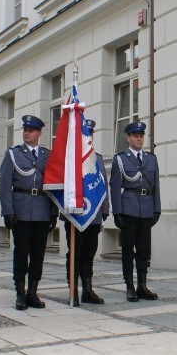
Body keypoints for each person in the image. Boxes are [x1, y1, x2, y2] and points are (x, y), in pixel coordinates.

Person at [0, 115, 57, 310]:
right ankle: (20, 293)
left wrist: (53, 212)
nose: (27, 133)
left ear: (39, 133)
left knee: (38, 253)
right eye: (25, 130)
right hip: (21, 210)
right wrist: (8, 211)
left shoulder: (47, 155)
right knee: (21, 252)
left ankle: (33, 291)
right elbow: (5, 185)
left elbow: (52, 185)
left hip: (41, 209)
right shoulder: (13, 154)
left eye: (31, 130)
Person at [109, 121, 160, 302]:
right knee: (128, 251)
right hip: (129, 208)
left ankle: (142, 286)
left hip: (146, 208)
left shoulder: (151, 159)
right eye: (135, 136)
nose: (139, 138)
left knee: (144, 250)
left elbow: (156, 186)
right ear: (128, 138)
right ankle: (130, 286)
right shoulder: (120, 159)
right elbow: (115, 187)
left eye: (141, 135)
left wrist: (157, 209)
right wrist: (117, 212)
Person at [63, 119, 110, 306]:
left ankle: (87, 290)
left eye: (90, 134)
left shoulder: (97, 158)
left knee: (90, 253)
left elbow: (103, 185)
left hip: (94, 214)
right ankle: (72, 289)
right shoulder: (69, 157)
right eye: (85, 134)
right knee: (75, 253)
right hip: (75, 214)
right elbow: (63, 186)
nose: (87, 137)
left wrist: (105, 210)